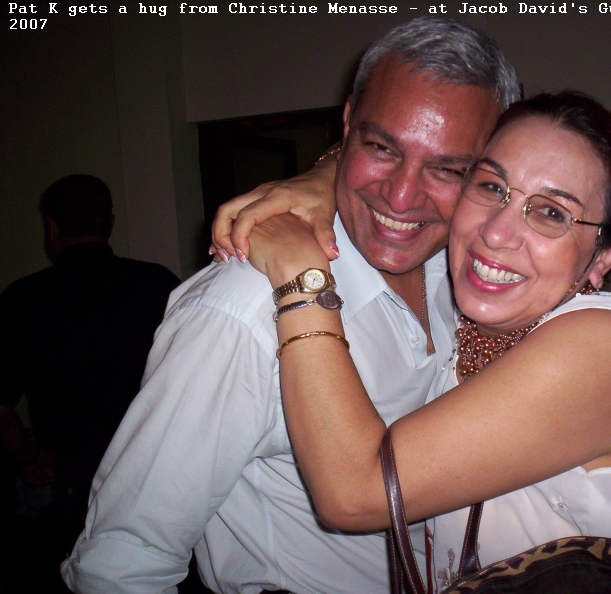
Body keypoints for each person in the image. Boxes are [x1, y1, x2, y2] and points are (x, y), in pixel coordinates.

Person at [61, 18, 519, 594]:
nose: (402, 197)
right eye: (381, 147)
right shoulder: (242, 308)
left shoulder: (459, 277)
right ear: (347, 125)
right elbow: (121, 561)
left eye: (448, 169)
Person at [241, 92, 611, 592]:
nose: (496, 233)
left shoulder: (601, 343)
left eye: (551, 213)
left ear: (606, 255)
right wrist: (321, 178)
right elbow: (408, 180)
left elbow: (355, 493)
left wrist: (300, 273)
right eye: (492, 187)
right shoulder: (458, 308)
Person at [0, 175, 180, 590]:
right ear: (109, 223)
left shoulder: (22, 298)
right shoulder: (159, 284)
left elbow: (1, 412)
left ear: (51, 227)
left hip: (71, 482)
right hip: (155, 471)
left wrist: (28, 457)